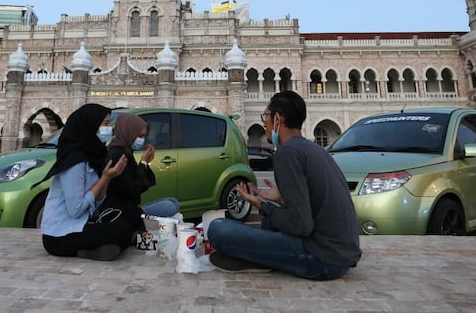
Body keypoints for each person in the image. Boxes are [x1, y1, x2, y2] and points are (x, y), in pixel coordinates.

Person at [207, 90, 362, 279]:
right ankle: (261, 257)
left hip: (322, 260)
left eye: (267, 116)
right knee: (270, 221)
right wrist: (281, 199)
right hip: (342, 254)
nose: (265, 123)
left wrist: (260, 205)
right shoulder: (314, 149)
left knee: (217, 228)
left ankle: (259, 258)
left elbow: (301, 226)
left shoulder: (287, 153)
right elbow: (311, 210)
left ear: (278, 119)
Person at [40, 103, 133, 261]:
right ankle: (96, 248)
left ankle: (105, 248)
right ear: (90, 125)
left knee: (130, 216)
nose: (108, 129)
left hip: (81, 225)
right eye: (104, 124)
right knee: (121, 230)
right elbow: (76, 210)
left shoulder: (92, 156)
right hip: (59, 236)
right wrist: (104, 177)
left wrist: (108, 177)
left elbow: (96, 204)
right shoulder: (74, 161)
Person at [103, 113, 180, 232]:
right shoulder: (118, 155)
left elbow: (142, 184)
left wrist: (145, 163)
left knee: (173, 202)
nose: (142, 140)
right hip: (121, 212)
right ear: (129, 132)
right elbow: (134, 189)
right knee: (169, 207)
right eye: (139, 135)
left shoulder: (126, 151)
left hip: (129, 207)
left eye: (144, 136)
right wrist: (143, 162)